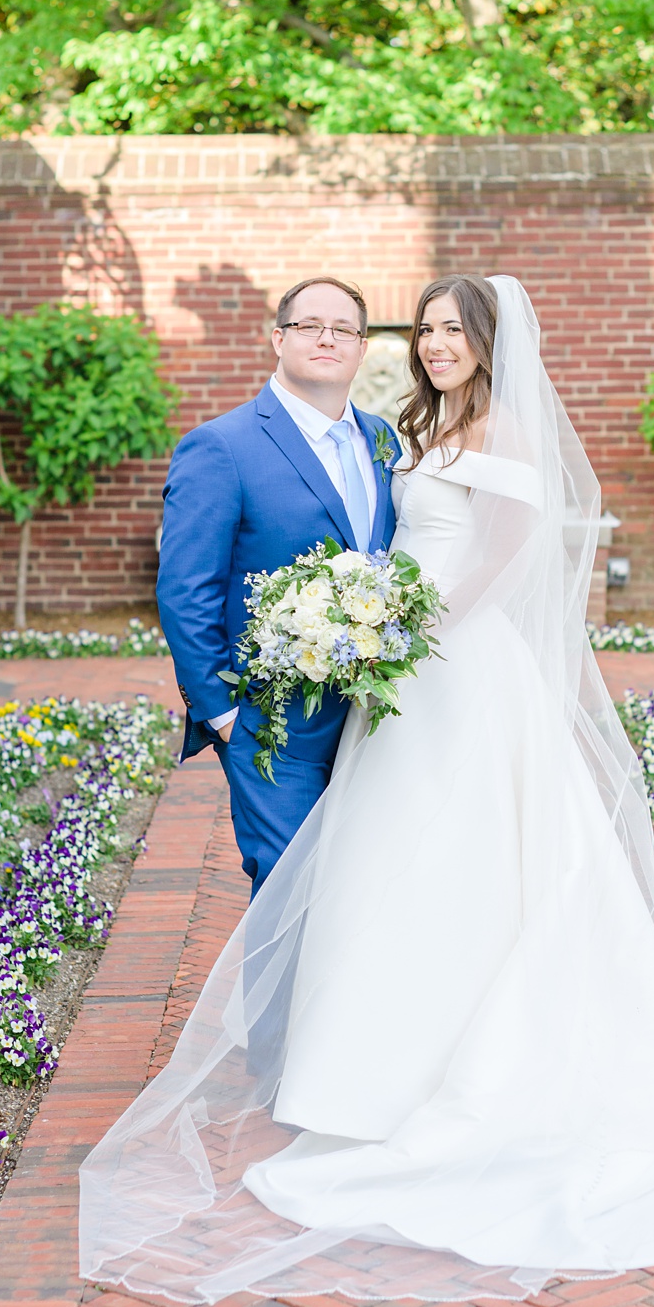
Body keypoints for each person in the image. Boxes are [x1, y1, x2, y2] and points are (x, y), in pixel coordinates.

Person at [80, 273, 654, 1303]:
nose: (436, 344)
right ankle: (360, 1068)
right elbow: (213, 581)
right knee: (382, 868)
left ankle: (445, 1075)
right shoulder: (401, 433)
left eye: (451, 329)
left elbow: (501, 554)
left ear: (488, 343)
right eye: (426, 328)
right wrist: (261, 689)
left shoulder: (485, 438)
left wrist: (397, 633)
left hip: (450, 675)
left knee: (459, 860)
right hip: (377, 684)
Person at [157, 276, 401, 897]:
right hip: (271, 724)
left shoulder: (382, 440)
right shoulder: (221, 446)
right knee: (291, 891)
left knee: (365, 892)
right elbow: (186, 591)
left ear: (362, 347)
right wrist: (222, 713)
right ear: (278, 339)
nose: (327, 338)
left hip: (376, 718)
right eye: (309, 326)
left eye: (344, 329)